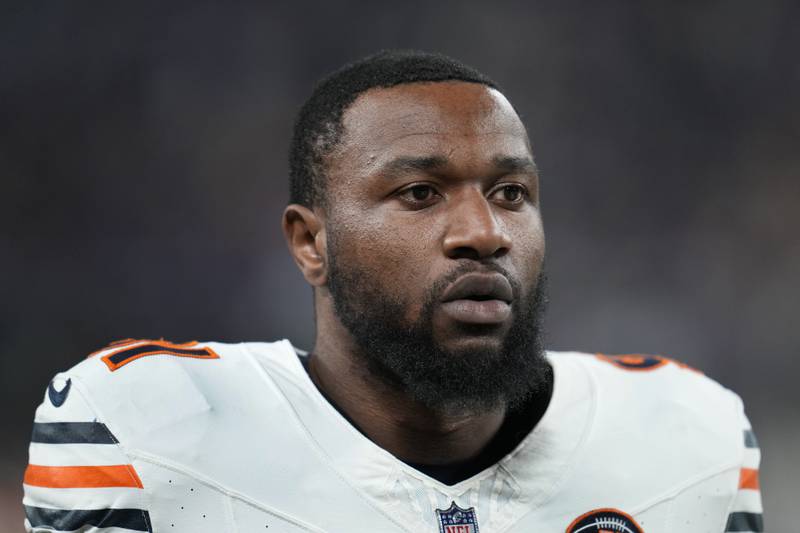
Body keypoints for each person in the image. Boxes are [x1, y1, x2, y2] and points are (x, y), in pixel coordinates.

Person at [22, 50, 762, 533]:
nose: (482, 231)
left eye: (510, 191)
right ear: (312, 242)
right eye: (419, 192)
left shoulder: (689, 436)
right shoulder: (145, 431)